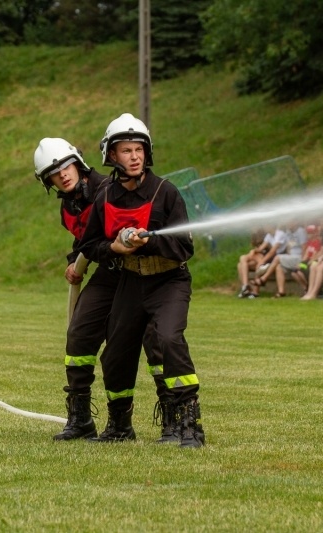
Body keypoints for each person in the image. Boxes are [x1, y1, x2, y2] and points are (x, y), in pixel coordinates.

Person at [80, 113, 205, 448]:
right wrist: (116, 248)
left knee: (168, 340)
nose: (134, 156)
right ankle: (120, 426)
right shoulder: (105, 197)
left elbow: (184, 247)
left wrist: (149, 241)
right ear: (111, 155)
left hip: (168, 281)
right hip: (130, 282)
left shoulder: (166, 192)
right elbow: (90, 245)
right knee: (116, 353)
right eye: (125, 150)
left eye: (138, 149)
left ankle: (188, 425)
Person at [32, 137, 169, 442]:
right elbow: (86, 242)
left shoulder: (109, 189)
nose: (63, 174)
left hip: (138, 273)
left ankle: (172, 421)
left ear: (77, 163)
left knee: (154, 342)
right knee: (79, 335)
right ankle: (80, 419)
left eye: (66, 166)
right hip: (107, 271)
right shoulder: (67, 208)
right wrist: (75, 261)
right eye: (55, 172)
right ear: (48, 181)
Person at [253, 221, 307, 298]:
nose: (288, 224)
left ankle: (263, 279)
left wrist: (302, 262)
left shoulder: (300, 231)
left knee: (277, 257)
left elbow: (304, 247)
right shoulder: (288, 232)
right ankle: (281, 292)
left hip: (299, 258)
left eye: (290, 222)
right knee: (278, 267)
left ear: (295, 222)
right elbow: (289, 247)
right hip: (291, 257)